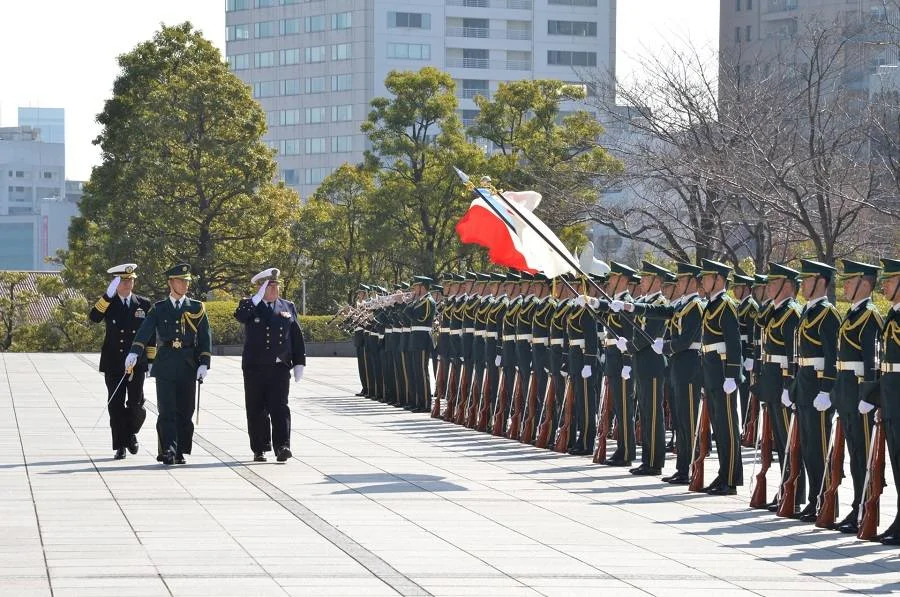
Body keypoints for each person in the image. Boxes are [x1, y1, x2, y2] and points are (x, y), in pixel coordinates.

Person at [125, 263, 211, 466]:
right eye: (181, 281)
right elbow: (144, 331)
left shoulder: (196, 308)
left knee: (185, 410)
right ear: (171, 283)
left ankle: (181, 449)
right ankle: (169, 450)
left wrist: (204, 363)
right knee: (167, 410)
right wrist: (134, 352)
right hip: (165, 364)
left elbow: (205, 338)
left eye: (187, 281)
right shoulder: (159, 308)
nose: (185, 284)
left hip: (188, 364)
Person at [234, 267, 306, 463]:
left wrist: (299, 362)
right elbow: (240, 316)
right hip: (255, 367)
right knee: (256, 409)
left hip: (279, 367)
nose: (275, 289)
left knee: (280, 407)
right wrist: (256, 299)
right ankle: (260, 447)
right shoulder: (250, 305)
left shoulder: (287, 306)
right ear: (262, 287)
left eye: (277, 285)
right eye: (270, 286)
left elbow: (296, 336)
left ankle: (283, 446)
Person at [832, 259, 883, 534]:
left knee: (864, 457)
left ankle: (866, 509)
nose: (845, 286)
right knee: (853, 455)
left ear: (865, 284)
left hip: (860, 395)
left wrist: (869, 394)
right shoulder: (852, 314)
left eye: (850, 282)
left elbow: (872, 361)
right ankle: (857, 505)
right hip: (846, 392)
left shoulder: (870, 316)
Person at [792, 259, 841, 522]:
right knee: (809, 447)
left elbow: (833, 356)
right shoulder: (807, 311)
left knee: (820, 447)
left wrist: (827, 389)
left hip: (819, 387)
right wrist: (794, 385)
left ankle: (826, 501)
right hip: (805, 383)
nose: (802, 283)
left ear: (821, 282)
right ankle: (814, 499)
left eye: (807, 279)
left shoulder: (828, 314)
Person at [89, 263, 154, 459]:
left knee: (136, 403)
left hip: (137, 363)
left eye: (130, 280)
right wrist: (107, 296)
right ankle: (121, 445)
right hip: (114, 361)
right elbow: (94, 317)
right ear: (115, 283)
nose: (128, 284)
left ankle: (130, 432)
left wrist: (150, 359)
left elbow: (150, 333)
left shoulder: (143, 303)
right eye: (123, 280)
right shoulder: (109, 303)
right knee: (115, 404)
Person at [697, 259, 743, 495]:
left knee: (728, 429)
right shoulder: (711, 305)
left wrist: (732, 375)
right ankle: (723, 473)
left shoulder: (726, 305)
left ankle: (731, 479)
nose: (703, 281)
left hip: (723, 373)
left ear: (719, 279)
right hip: (712, 372)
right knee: (718, 428)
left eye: (707, 277)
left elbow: (734, 344)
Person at [869, 258, 900, 544]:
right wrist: (878, 399)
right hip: (891, 394)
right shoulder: (892, 315)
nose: (885, 286)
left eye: (890, 281)